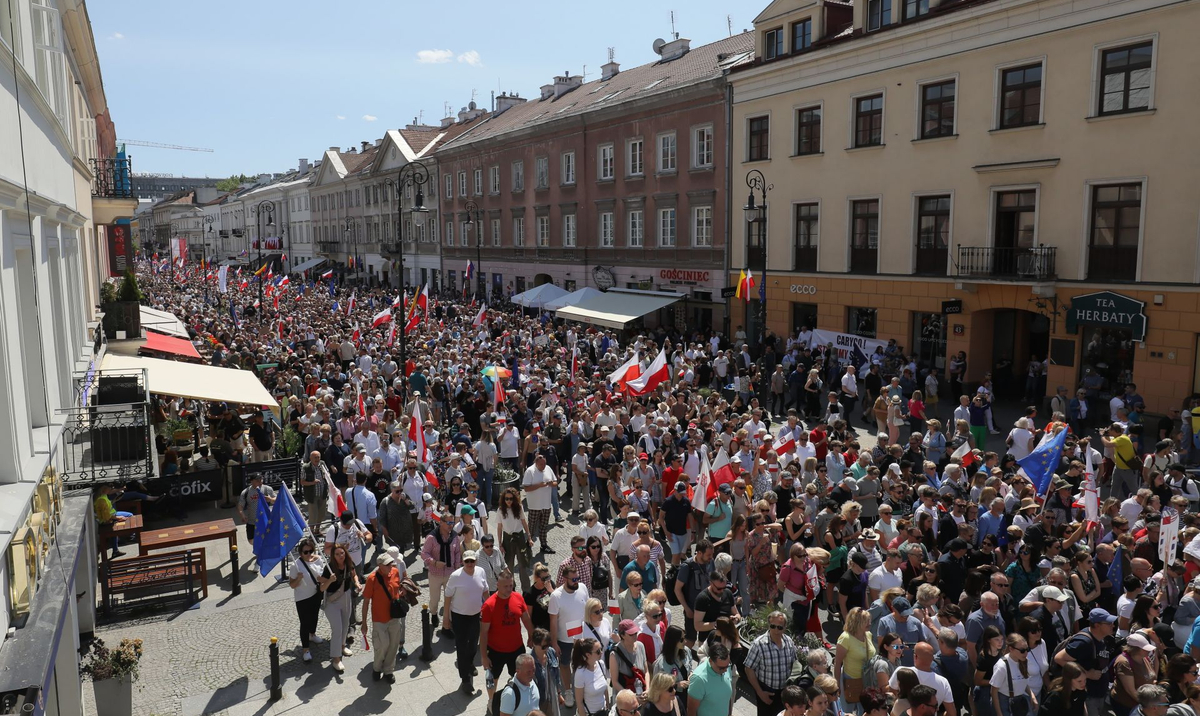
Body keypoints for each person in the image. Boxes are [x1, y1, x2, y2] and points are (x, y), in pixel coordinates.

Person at [482, 569, 534, 707]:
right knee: (493, 679)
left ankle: (519, 699)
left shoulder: (518, 597)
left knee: (519, 676)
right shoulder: (489, 605)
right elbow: (483, 633)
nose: (509, 588)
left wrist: (531, 635)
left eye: (511, 585)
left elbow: (526, 619)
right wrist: (483, 656)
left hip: (516, 648)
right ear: (497, 585)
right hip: (495, 650)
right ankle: (492, 701)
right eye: (506, 586)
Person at [1054, 608, 1119, 716]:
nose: (1113, 625)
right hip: (1089, 695)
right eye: (1109, 623)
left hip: (1100, 691)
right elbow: (1059, 658)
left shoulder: (1103, 637)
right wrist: (1087, 674)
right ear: (1097, 625)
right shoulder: (1083, 642)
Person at [446, 549, 490, 694]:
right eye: (467, 561)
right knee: (461, 646)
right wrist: (446, 617)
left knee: (473, 645)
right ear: (462, 562)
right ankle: (465, 679)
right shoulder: (455, 576)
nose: (470, 564)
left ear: (476, 561)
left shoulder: (481, 572)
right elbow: (447, 597)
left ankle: (469, 662)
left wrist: (489, 608)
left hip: (475, 615)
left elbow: (485, 591)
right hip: (459, 616)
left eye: (472, 561)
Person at [361, 552, 407, 684]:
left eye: (391, 563)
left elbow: (397, 588)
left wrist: (401, 592)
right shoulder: (372, 579)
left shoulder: (395, 572)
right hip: (379, 619)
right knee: (382, 646)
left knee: (393, 645)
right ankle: (376, 668)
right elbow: (366, 602)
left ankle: (388, 671)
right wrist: (364, 622)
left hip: (394, 616)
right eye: (387, 564)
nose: (390, 565)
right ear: (380, 566)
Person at [549, 563, 590, 709]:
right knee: (565, 665)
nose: (576, 581)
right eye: (573, 579)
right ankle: (568, 690)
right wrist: (554, 643)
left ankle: (583, 690)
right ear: (565, 579)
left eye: (577, 578)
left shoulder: (583, 588)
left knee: (582, 664)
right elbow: (553, 622)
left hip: (582, 637)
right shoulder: (556, 596)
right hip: (564, 640)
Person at [744, 610, 798, 716]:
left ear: (785, 628)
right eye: (773, 626)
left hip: (784, 692)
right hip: (767, 691)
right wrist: (760, 693)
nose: (776, 630)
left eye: (779, 627)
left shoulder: (789, 642)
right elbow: (748, 668)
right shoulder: (759, 644)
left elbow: (794, 664)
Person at [287, 537, 328, 665]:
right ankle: (306, 650)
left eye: (310, 551)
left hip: (316, 594)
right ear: (300, 553)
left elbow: (321, 577)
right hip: (302, 598)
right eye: (305, 552)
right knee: (304, 622)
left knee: (314, 617)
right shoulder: (296, 565)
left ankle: (312, 634)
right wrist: (298, 579)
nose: (309, 554)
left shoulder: (318, 560)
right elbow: (292, 584)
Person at [320, 542, 360, 673]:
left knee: (345, 624)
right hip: (332, 600)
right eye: (337, 554)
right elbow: (321, 588)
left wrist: (357, 583)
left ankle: (342, 646)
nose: (340, 556)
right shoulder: (329, 568)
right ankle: (336, 658)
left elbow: (353, 574)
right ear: (333, 555)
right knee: (337, 628)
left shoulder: (348, 562)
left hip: (346, 595)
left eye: (342, 553)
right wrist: (329, 580)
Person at [422, 516, 462, 630]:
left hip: (450, 573)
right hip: (435, 574)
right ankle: (434, 614)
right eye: (448, 522)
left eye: (452, 522)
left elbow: (457, 552)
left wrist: (457, 566)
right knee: (435, 599)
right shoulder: (432, 537)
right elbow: (424, 553)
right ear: (441, 523)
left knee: (450, 599)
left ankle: (448, 624)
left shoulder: (454, 536)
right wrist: (434, 562)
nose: (451, 525)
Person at [835, 608, 877, 715]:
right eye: (866, 621)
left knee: (864, 710)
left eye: (869, 620)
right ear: (857, 622)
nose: (869, 623)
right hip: (850, 681)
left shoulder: (868, 634)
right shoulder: (845, 638)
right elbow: (838, 662)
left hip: (867, 680)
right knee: (847, 711)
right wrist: (837, 685)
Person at [498, 486, 535, 593]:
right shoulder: (500, 510)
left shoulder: (519, 507)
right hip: (507, 538)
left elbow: (524, 522)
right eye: (506, 498)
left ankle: (526, 590)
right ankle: (511, 589)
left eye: (511, 498)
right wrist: (500, 543)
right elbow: (499, 527)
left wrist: (529, 537)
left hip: (519, 538)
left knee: (523, 565)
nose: (508, 501)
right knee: (508, 566)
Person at [990, 633, 1037, 716]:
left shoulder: (1024, 661)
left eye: (1027, 649)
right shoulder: (1002, 666)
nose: (1026, 653)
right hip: (1005, 703)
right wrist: (999, 713)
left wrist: (1032, 696)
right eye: (1022, 651)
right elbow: (994, 692)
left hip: (1019, 702)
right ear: (1011, 649)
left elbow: (1022, 682)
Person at [524, 453, 558, 555]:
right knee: (532, 526)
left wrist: (552, 484)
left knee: (544, 526)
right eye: (541, 465)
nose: (543, 466)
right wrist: (539, 485)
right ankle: (528, 544)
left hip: (546, 504)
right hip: (534, 505)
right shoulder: (530, 471)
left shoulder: (548, 468)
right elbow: (526, 488)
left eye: (544, 464)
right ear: (536, 463)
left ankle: (544, 545)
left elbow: (556, 482)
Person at [687, 642, 734, 716]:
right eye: (721, 668)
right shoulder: (699, 679)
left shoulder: (725, 666)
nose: (725, 670)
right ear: (711, 661)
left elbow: (728, 697)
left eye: (727, 665)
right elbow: (691, 710)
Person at [609, 619, 649, 695]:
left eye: (636, 633)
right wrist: (632, 697)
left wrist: (647, 689)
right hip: (625, 697)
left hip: (642, 692)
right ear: (622, 635)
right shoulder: (614, 654)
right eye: (631, 634)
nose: (635, 636)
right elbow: (615, 682)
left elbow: (646, 672)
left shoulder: (640, 646)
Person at [572, 637, 609, 716]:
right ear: (588, 655)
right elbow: (579, 702)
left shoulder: (601, 664)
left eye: (601, 649)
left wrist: (608, 707)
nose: (601, 652)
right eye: (598, 651)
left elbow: (605, 690)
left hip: (603, 712)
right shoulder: (580, 673)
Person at [236, 473, 276, 543]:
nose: (260, 481)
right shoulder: (246, 492)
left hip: (265, 520)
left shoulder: (267, 489)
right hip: (252, 521)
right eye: (257, 480)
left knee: (266, 539)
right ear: (252, 481)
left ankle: (263, 552)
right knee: (251, 540)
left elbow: (276, 500)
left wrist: (270, 499)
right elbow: (240, 505)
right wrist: (242, 514)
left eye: (261, 479)